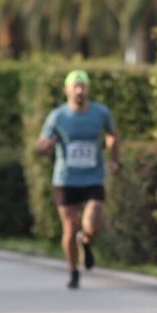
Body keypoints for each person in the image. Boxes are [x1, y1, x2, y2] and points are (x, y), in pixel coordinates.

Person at [35, 69, 120, 290]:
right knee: (70, 228)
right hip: (65, 179)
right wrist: (45, 147)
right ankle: (73, 271)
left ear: (88, 89)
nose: (80, 90)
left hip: (93, 177)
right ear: (67, 90)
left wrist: (114, 158)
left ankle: (87, 240)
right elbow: (41, 144)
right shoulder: (57, 116)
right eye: (75, 86)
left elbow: (113, 135)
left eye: (83, 86)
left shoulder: (100, 113)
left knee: (91, 225)